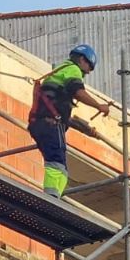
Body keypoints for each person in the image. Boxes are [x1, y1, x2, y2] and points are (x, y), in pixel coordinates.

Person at [27, 44, 110, 197]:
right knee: (57, 161)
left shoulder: (59, 72)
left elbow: (62, 115)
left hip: (39, 124)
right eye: (88, 67)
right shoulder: (73, 69)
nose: (87, 72)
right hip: (51, 125)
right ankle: (51, 196)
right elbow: (78, 92)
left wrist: (85, 129)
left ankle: (54, 195)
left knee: (60, 164)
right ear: (81, 60)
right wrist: (99, 106)